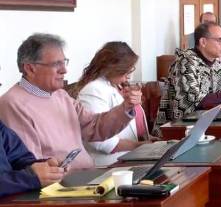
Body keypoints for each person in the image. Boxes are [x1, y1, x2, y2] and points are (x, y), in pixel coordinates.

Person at [0, 34, 142, 171]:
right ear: (30, 68)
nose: (64, 70)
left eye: (64, 62)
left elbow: (94, 127)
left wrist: (125, 107)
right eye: (56, 64)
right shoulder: (12, 104)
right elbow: (32, 165)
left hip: (87, 176)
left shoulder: (60, 95)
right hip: (60, 187)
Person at [75, 42, 149, 166]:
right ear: (112, 68)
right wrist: (138, 146)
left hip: (128, 160)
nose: (129, 76)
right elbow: (101, 142)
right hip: (108, 166)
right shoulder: (93, 90)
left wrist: (149, 141)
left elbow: (130, 127)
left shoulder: (116, 87)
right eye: (125, 72)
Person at [159, 22, 221, 122]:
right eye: (220, 40)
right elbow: (194, 101)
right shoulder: (185, 63)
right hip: (176, 128)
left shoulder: (216, 64)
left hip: (205, 122)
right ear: (203, 42)